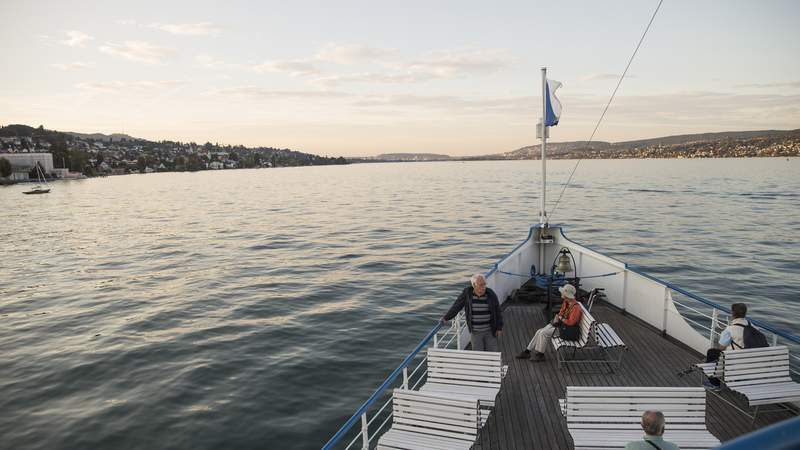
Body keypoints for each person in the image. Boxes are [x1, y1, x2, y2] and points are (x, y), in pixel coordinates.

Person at [516, 283, 581, 362]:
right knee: (539, 331)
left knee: (543, 333)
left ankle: (540, 354)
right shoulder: (566, 302)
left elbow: (571, 323)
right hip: (561, 326)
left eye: (563, 293)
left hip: (567, 330)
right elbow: (561, 314)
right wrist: (558, 317)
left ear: (567, 295)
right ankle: (527, 351)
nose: (561, 294)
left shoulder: (576, 308)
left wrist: (560, 318)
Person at [441, 274, 503, 352]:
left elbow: (497, 311)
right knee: (478, 354)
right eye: (481, 285)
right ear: (474, 285)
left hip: (490, 330)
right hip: (475, 332)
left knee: (492, 353)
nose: (483, 287)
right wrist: (446, 317)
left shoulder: (491, 294)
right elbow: (457, 306)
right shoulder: (467, 294)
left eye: (484, 284)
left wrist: (499, 327)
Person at [704, 303, 749, 389]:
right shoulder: (753, 327)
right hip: (751, 359)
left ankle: (714, 383)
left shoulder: (730, 329)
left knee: (712, 352)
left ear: (733, 314)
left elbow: (721, 347)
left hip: (735, 361)